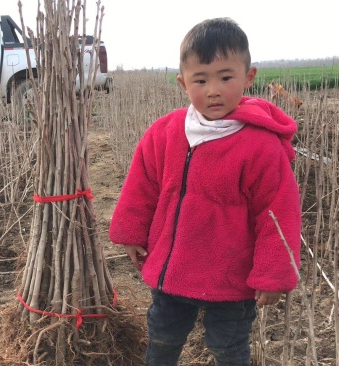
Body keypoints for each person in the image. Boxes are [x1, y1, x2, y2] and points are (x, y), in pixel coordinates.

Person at [109, 17, 301, 366]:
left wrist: (273, 275)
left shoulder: (260, 146)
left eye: (226, 77)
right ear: (183, 83)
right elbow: (143, 185)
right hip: (172, 266)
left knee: (227, 348)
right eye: (201, 80)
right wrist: (132, 233)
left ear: (249, 77)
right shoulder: (165, 132)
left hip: (232, 276)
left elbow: (277, 211)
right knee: (163, 338)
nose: (213, 90)